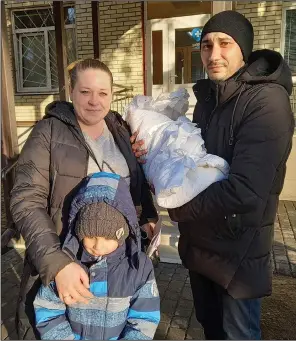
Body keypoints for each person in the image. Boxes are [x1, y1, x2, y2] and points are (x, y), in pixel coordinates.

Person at [132, 10, 295, 340]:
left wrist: (178, 209)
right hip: (201, 243)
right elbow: (192, 162)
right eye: (206, 45)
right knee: (210, 328)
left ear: (243, 50)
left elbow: (247, 190)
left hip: (238, 251)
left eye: (225, 43)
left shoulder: (267, 102)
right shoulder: (207, 98)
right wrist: (150, 152)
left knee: (238, 334)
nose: (213, 54)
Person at [10, 59, 158, 340]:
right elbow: (26, 200)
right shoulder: (48, 133)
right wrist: (57, 263)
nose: (94, 101)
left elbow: (133, 185)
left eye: (102, 93)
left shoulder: (120, 131)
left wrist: (148, 216)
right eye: (85, 92)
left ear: (112, 94)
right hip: (67, 263)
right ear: (71, 91)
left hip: (118, 268)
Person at [33, 172, 160, 340]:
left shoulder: (138, 267)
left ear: (123, 233)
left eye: (108, 238)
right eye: (90, 236)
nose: (98, 246)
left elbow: (144, 318)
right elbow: (47, 309)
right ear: (79, 232)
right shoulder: (66, 264)